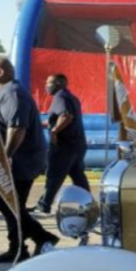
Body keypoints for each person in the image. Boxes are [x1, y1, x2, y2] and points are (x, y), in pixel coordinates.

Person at [0, 58, 59, 262]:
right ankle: (18, 247)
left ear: (0, 72)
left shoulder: (12, 93)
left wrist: (6, 156)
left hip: (21, 160)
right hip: (15, 159)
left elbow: (17, 128)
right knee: (10, 203)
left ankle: (43, 237)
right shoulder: (2, 93)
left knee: (7, 203)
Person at [35, 74, 89, 214]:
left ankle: (44, 205)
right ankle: (89, 205)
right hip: (77, 144)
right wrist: (41, 124)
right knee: (78, 176)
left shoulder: (60, 97)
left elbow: (66, 116)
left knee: (54, 175)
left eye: (48, 82)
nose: (46, 85)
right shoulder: (71, 97)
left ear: (57, 83)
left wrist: (54, 131)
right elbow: (61, 117)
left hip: (64, 146)